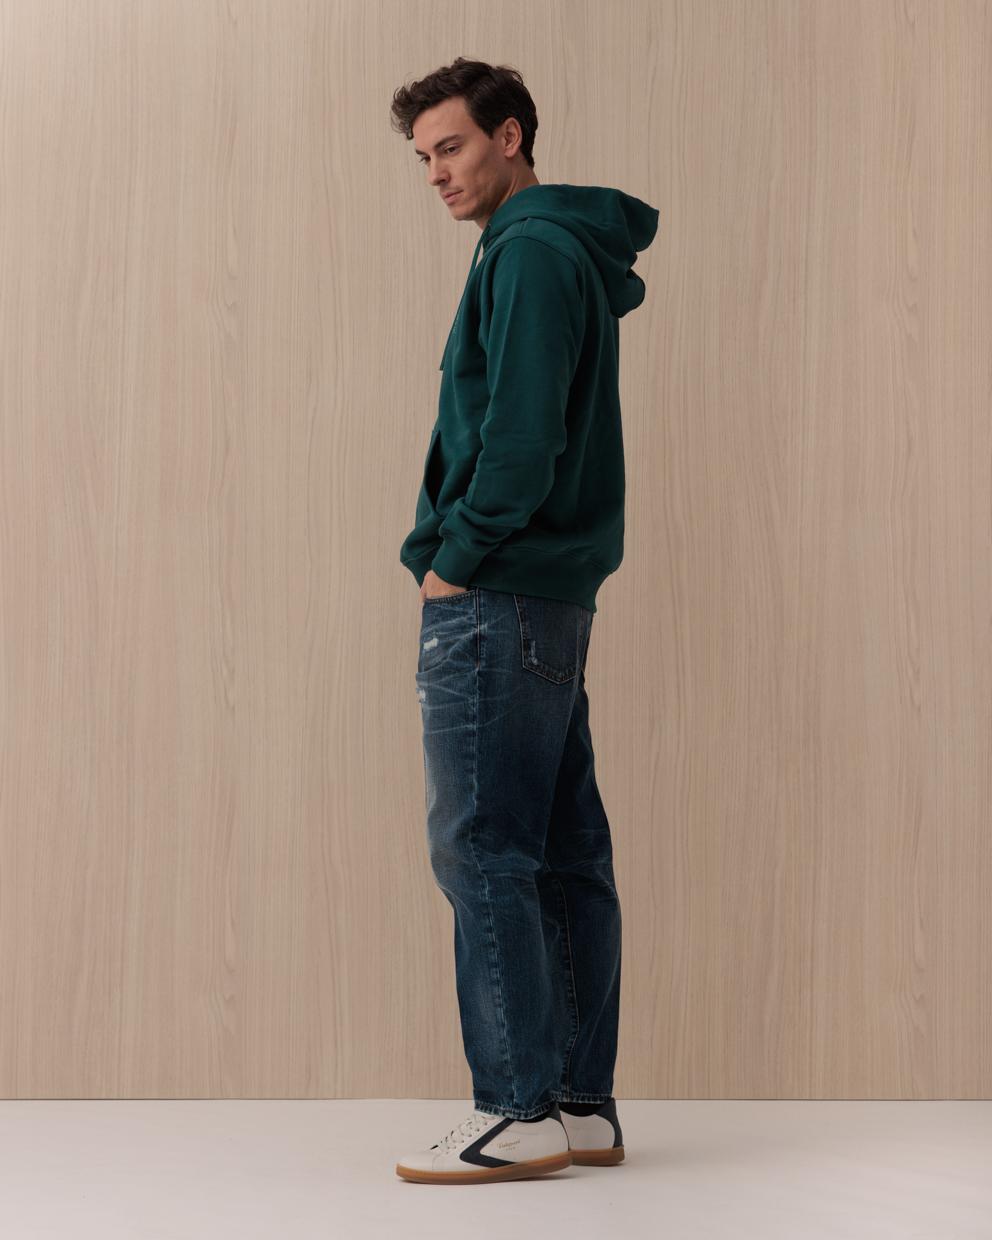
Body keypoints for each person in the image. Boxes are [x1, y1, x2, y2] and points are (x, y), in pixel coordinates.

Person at [390, 57, 658, 1185]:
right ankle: (578, 1106)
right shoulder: (548, 248)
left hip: (499, 590)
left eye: (451, 146)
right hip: (542, 593)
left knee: (483, 845)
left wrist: (452, 562)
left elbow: (521, 434)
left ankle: (516, 1107)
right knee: (558, 849)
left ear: (509, 136)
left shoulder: (532, 248)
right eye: (423, 158)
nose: (436, 174)